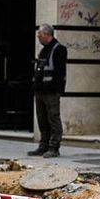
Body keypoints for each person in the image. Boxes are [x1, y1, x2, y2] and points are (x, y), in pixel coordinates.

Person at [28, 24, 67, 158]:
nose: (38, 37)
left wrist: (54, 88)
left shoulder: (59, 49)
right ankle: (43, 145)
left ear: (47, 35)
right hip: (40, 91)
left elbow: (59, 73)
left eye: (39, 35)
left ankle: (54, 147)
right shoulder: (44, 50)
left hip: (51, 91)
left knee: (53, 118)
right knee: (42, 119)